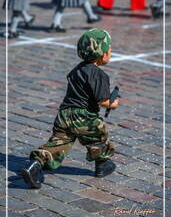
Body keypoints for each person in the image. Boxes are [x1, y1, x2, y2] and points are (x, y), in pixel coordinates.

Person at [21, 28, 119, 189]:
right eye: (109, 50)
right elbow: (104, 101)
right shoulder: (99, 75)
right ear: (103, 54)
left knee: (57, 144)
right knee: (98, 138)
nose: (110, 52)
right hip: (85, 117)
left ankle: (35, 165)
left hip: (64, 114)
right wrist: (114, 103)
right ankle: (102, 165)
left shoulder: (76, 70)